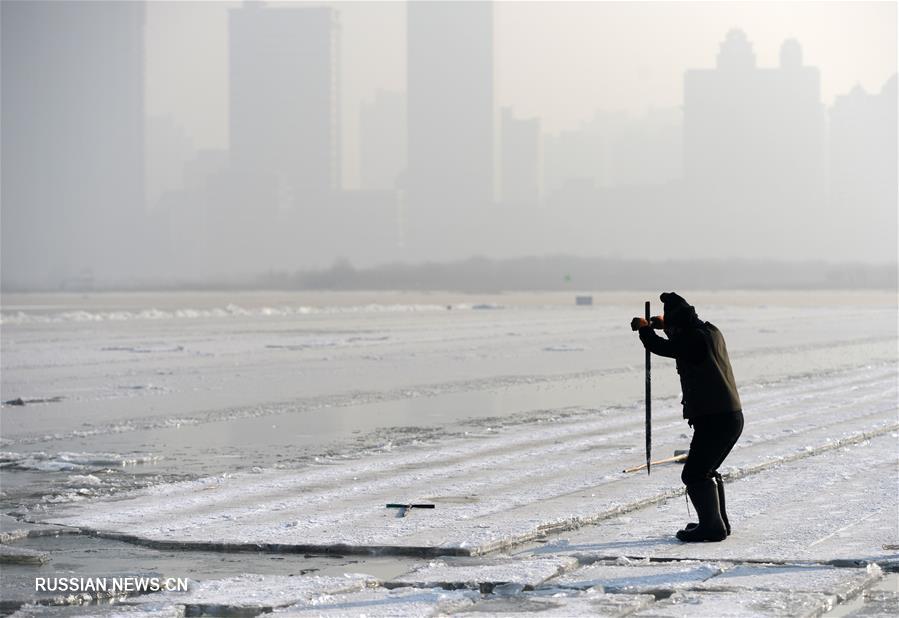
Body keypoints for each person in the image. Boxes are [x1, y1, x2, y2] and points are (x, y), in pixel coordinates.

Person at [630, 292, 743, 542]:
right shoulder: (708, 330)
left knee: (694, 474)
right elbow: (686, 337)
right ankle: (716, 523)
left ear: (678, 325)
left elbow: (664, 347)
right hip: (728, 416)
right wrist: (664, 325)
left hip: (715, 419)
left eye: (672, 325)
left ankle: (712, 528)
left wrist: (645, 330)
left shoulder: (692, 340)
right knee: (704, 469)